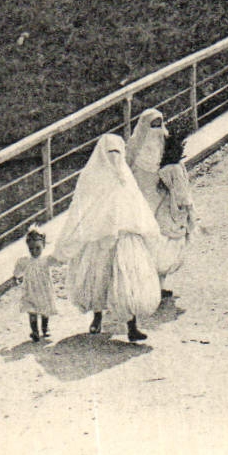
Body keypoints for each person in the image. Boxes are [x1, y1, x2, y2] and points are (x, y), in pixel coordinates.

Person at [53, 134, 162, 343]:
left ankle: (132, 326)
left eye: (118, 153)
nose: (114, 158)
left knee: (129, 281)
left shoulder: (125, 177)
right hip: (99, 238)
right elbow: (82, 208)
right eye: (110, 153)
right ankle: (97, 317)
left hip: (125, 237)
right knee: (98, 278)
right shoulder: (91, 177)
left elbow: (137, 204)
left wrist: (145, 228)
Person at [153, 129, 199, 299]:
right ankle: (158, 287)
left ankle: (158, 286)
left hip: (162, 209)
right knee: (171, 249)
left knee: (160, 247)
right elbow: (182, 194)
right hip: (175, 211)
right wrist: (188, 210)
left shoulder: (161, 168)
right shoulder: (176, 168)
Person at [14, 228, 57, 342]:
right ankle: (34, 331)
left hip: (44, 290)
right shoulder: (25, 261)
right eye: (31, 249)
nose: (34, 251)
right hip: (30, 291)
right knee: (31, 310)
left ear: (43, 246)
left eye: (37, 248)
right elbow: (18, 270)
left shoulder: (46, 260)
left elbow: (58, 261)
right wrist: (17, 277)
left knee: (45, 310)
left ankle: (45, 328)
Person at [126, 108, 168, 212]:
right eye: (153, 126)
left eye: (158, 126)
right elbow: (129, 159)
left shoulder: (163, 137)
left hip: (158, 172)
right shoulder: (135, 141)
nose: (156, 130)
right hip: (141, 172)